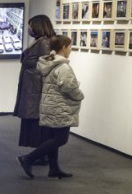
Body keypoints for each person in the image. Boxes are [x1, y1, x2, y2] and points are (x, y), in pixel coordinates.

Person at [17, 35, 83, 180]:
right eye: (70, 47)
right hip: (60, 107)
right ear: (63, 48)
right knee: (61, 139)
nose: (70, 50)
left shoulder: (48, 63)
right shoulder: (63, 67)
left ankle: (54, 168)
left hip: (49, 106)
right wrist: (80, 95)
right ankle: (28, 159)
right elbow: (69, 87)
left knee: (53, 137)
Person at [15, 14, 56, 161]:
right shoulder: (40, 41)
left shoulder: (44, 42)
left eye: (31, 26)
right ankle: (41, 154)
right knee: (36, 122)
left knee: (38, 123)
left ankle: (41, 155)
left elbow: (46, 64)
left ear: (38, 26)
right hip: (32, 86)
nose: (29, 29)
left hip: (36, 87)